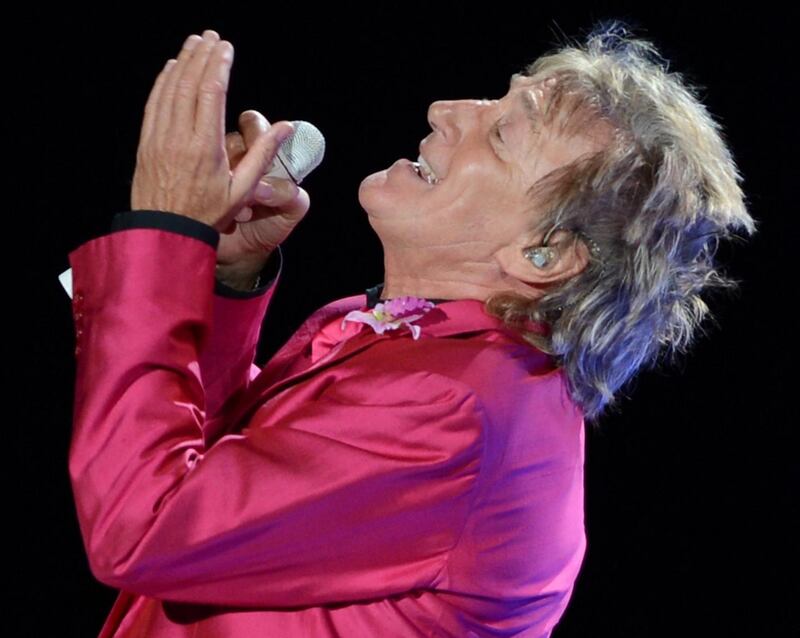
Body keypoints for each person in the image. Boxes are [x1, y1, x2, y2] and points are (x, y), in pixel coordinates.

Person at [66, 21, 755, 638]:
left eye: (501, 132)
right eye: (493, 100)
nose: (446, 111)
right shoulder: (427, 352)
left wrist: (165, 231)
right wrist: (227, 277)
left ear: (541, 255)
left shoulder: (455, 410)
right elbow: (222, 477)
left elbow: (145, 524)